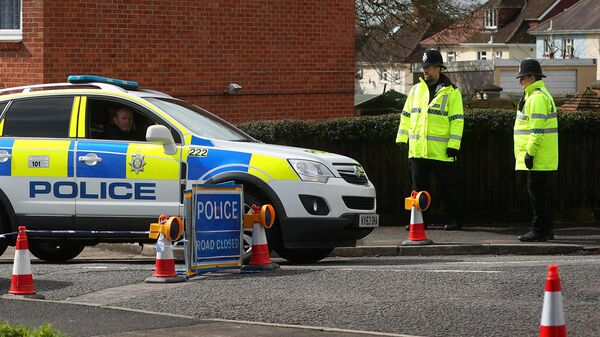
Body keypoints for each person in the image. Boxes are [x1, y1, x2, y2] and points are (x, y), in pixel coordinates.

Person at [396, 49, 464, 231]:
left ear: (438, 69)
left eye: (428, 67)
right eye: (424, 67)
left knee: (449, 188)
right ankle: (418, 220)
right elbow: (406, 116)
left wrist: (454, 145)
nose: (424, 70)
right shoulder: (416, 90)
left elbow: (457, 121)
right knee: (417, 190)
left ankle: (455, 220)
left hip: (442, 151)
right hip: (418, 149)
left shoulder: (452, 93)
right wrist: (402, 138)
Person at [514, 59, 559, 242]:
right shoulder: (538, 95)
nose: (520, 81)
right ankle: (546, 229)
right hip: (542, 156)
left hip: (537, 156)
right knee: (542, 194)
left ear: (532, 76)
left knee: (537, 195)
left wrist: (529, 153)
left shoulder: (536, 98)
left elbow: (537, 130)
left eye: (522, 77)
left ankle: (539, 230)